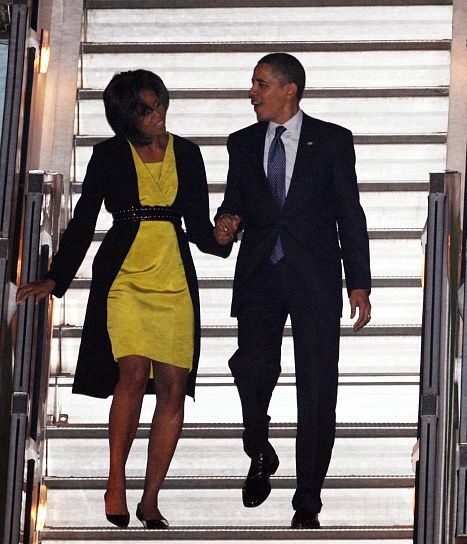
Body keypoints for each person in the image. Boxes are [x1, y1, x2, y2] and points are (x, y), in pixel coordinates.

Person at [16, 70, 229, 529]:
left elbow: (198, 227)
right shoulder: (108, 154)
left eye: (162, 104)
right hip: (126, 277)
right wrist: (55, 278)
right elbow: (82, 221)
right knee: (131, 374)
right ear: (126, 116)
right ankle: (116, 482)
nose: (160, 115)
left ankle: (151, 499)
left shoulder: (188, 153)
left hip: (173, 278)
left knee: (174, 386)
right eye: (149, 109)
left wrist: (222, 235)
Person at [213, 53, 371, 529]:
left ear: (290, 90)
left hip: (316, 277)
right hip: (261, 274)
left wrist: (359, 283)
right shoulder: (241, 142)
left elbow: (350, 213)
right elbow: (234, 202)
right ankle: (258, 449)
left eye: (261, 84)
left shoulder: (333, 140)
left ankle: (308, 500)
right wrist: (226, 224)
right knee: (253, 370)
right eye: (253, 84)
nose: (253, 92)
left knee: (318, 387)